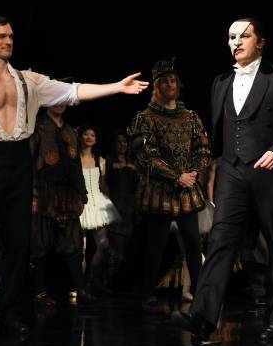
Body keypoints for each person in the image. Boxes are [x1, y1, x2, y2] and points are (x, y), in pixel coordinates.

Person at [0, 14, 148, 338]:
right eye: (0, 37)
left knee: (18, 244)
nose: (8, 41)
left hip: (18, 164)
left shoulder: (29, 81)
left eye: (11, 36)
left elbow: (73, 92)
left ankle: (8, 314)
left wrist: (116, 87)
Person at [172, 18, 273, 341]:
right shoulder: (220, 81)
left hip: (271, 172)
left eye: (244, 36)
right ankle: (202, 318)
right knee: (220, 241)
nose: (236, 42)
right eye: (231, 37)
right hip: (232, 171)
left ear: (260, 42)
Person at [128, 58, 211, 309]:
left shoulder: (191, 117)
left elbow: (203, 148)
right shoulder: (146, 118)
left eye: (173, 80)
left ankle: (199, 293)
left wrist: (194, 171)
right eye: (164, 81)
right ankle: (146, 295)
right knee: (155, 246)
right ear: (156, 86)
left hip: (187, 189)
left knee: (193, 245)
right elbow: (145, 156)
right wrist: (177, 176)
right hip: (160, 191)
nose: (170, 84)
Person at [31, 104, 95, 308]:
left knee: (72, 244)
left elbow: (76, 166)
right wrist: (32, 194)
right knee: (41, 243)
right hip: (44, 192)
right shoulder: (38, 127)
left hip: (67, 194)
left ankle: (81, 289)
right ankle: (40, 292)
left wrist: (82, 194)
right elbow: (29, 162)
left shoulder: (70, 130)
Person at [78, 124, 120, 295]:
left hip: (97, 203)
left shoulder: (100, 161)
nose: (89, 137)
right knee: (80, 249)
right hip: (81, 203)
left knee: (103, 245)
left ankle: (92, 280)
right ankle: (80, 286)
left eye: (92, 135)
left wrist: (109, 203)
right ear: (80, 137)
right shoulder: (75, 158)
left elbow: (103, 185)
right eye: (86, 134)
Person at [105, 130, 140, 289]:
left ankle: (122, 283)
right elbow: (105, 184)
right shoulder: (109, 161)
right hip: (115, 206)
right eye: (119, 142)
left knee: (127, 249)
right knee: (115, 249)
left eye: (125, 142)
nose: (122, 145)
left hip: (130, 208)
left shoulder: (132, 162)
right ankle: (110, 282)